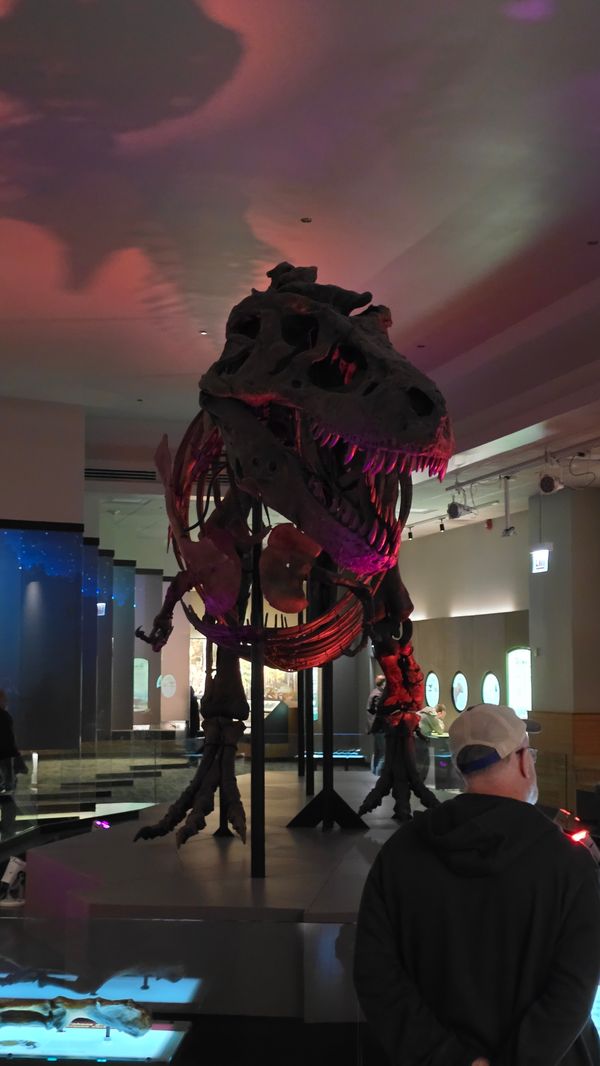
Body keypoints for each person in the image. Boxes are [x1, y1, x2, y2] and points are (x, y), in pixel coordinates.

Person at [354, 703, 600, 1066]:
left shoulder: (400, 853)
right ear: (521, 760)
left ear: (458, 767)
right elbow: (575, 985)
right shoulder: (568, 861)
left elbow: (377, 974)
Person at [366, 675, 386, 776]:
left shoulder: (374, 693)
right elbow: (379, 712)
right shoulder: (378, 695)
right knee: (383, 753)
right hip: (379, 727)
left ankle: (374, 773)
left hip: (375, 727)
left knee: (378, 752)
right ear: (383, 683)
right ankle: (378, 775)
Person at [0, 691, 18, 794]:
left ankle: (7, 784)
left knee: (5, 767)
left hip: (5, 746)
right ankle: (8, 785)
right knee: (7, 767)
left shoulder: (5, 715)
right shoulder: (5, 715)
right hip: (6, 747)